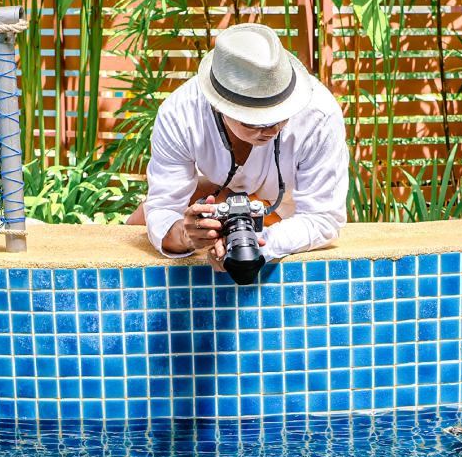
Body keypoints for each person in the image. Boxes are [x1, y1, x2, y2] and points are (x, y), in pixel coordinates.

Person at [127, 23, 349, 273]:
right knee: (138, 222)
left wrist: (258, 245)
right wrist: (187, 236)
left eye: (282, 115)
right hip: (219, 192)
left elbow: (324, 217)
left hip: (289, 210)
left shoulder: (319, 114)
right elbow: (162, 208)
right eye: (254, 122)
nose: (272, 129)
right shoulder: (180, 114)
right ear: (218, 106)